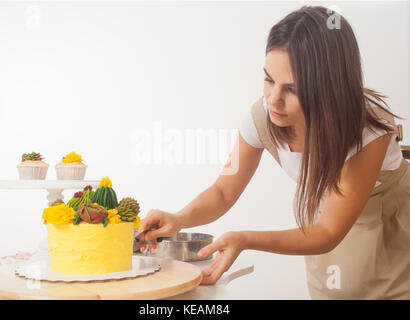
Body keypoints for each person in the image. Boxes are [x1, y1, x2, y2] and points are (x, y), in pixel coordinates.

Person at [136, 5, 410, 299]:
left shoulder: (367, 133)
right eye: (269, 80)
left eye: (293, 89)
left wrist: (246, 239)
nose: (274, 100)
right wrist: (180, 219)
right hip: (324, 233)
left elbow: (330, 232)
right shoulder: (262, 116)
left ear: (328, 87)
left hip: (389, 233)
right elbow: (223, 191)